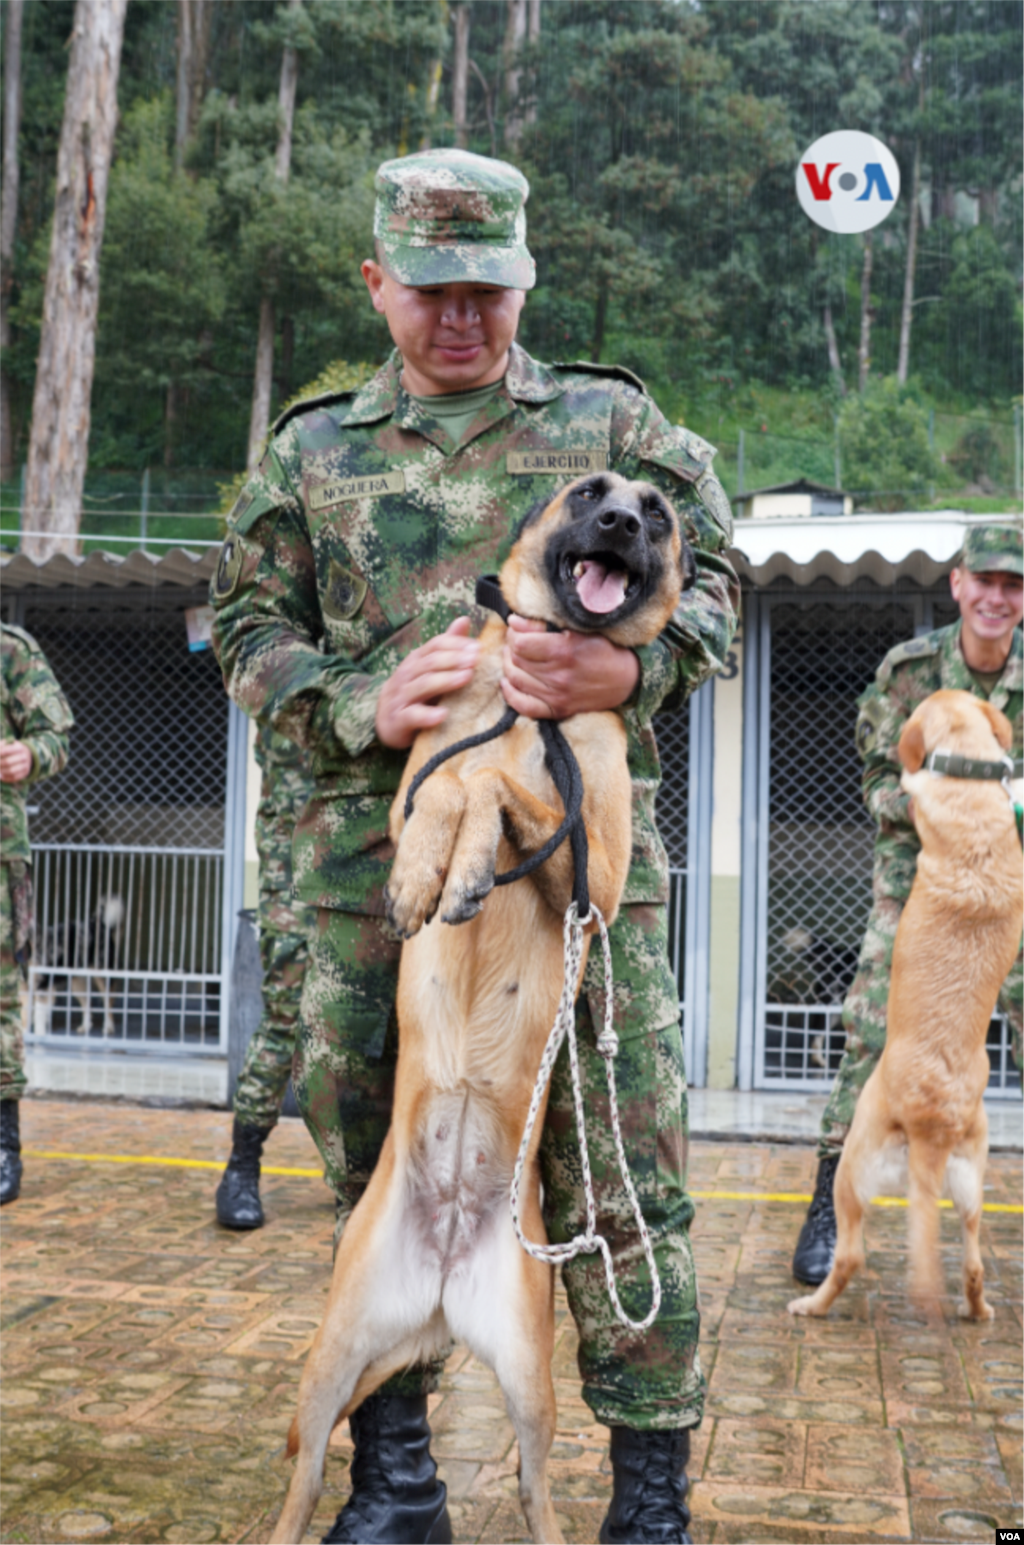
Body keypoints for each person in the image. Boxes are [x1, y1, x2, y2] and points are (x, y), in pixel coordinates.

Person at [211, 147, 738, 1545]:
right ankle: (398, 1484)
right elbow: (248, 632)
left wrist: (632, 677)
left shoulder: (613, 427)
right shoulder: (311, 451)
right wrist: (354, 699)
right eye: (433, 288)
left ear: (526, 278)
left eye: (489, 289)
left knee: (621, 1170)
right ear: (378, 280)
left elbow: (721, 582)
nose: (463, 316)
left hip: (574, 889)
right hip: (359, 888)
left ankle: (647, 1502)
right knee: (382, 1171)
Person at [793, 524, 1024, 1286]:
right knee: (871, 1028)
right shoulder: (910, 669)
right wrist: (948, 799)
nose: (997, 596)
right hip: (920, 872)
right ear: (958, 584)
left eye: (1013, 585)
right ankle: (832, 1203)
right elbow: (877, 780)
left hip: (1014, 880)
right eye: (984, 580)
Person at [215, 719, 316, 1229]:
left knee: (376, 1026)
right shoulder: (286, 660)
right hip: (292, 873)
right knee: (284, 1019)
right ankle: (242, 1166)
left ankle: (361, 1177)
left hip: (373, 868)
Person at [0, 624, 74, 1205]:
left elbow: (56, 735)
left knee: (0, 999)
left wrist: (31, 753)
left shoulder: (11, 650)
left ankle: (5, 1147)